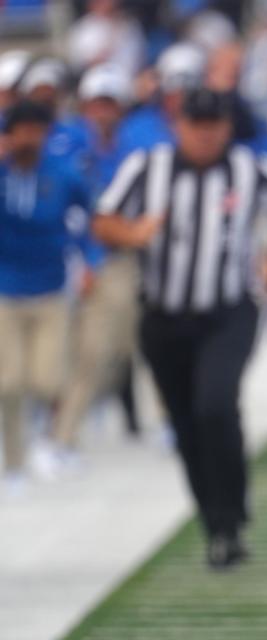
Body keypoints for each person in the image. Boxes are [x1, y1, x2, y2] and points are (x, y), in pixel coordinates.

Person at [94, 88, 267, 568]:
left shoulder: (249, 167)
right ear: (179, 125)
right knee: (186, 422)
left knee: (215, 404)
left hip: (228, 311)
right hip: (163, 317)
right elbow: (103, 219)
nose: (207, 136)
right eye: (197, 126)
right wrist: (132, 234)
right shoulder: (148, 167)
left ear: (227, 127)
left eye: (215, 126)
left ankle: (231, 514)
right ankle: (215, 523)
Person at [0, 101, 99, 495]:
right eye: (21, 130)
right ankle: (13, 464)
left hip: (51, 287)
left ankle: (49, 439)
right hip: (5, 288)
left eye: (35, 130)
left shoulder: (62, 174)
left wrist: (88, 261)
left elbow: (92, 217)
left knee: (48, 379)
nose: (28, 138)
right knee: (8, 381)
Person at [50, 65, 141, 463]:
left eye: (109, 103)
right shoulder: (66, 145)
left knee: (118, 348)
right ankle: (61, 437)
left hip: (120, 258)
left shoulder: (133, 148)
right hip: (75, 257)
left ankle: (85, 414)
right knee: (80, 352)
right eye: (95, 103)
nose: (102, 111)